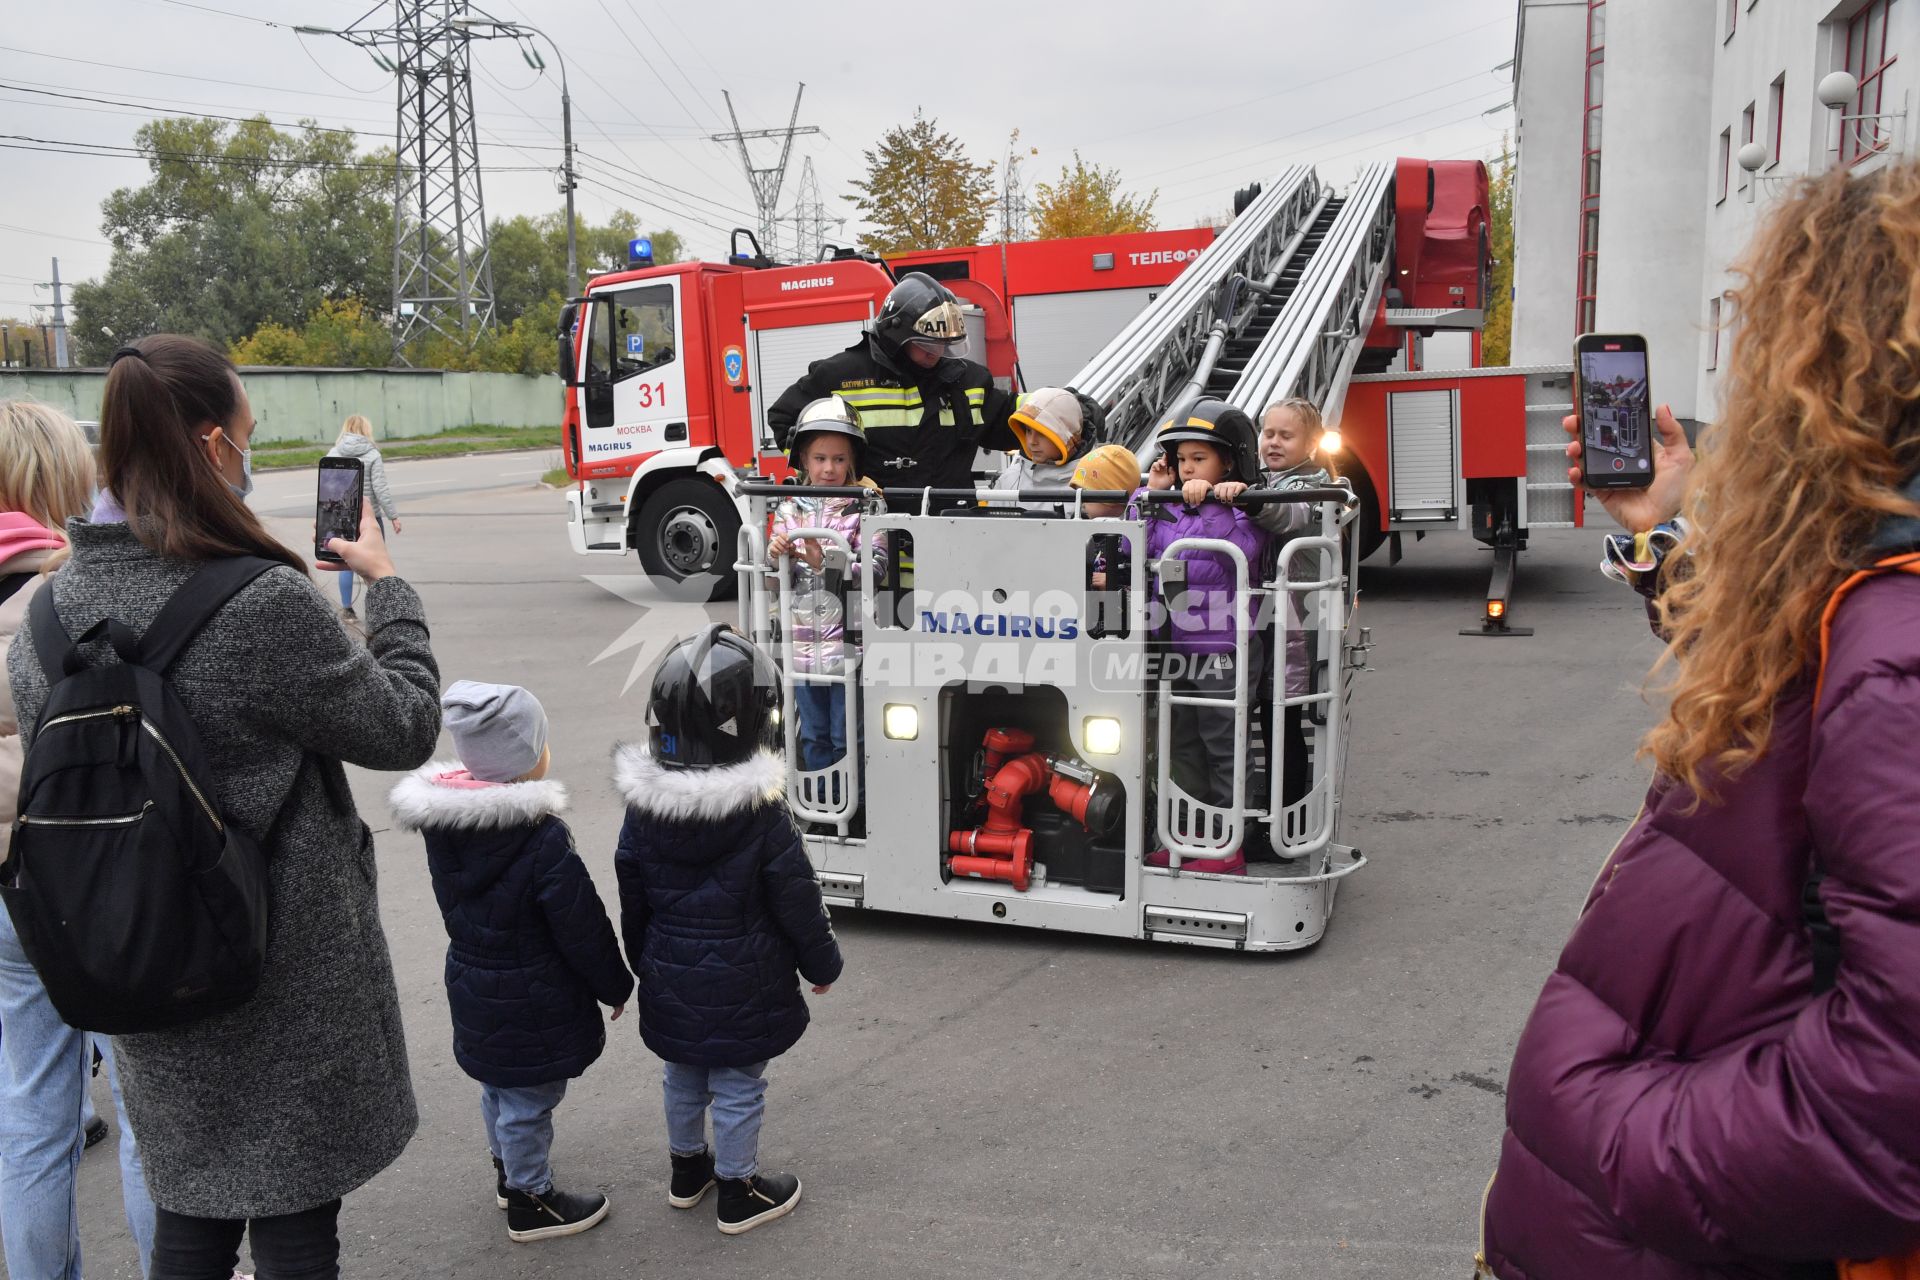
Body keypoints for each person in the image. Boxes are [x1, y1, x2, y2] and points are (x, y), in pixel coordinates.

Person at [1480, 164, 1920, 1278]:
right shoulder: (1874, 596)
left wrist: (1604, 1124)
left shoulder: (1901, 644)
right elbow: (1786, 684)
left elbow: (1889, 1110)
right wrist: (1659, 529)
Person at [7, 336, 441, 1278]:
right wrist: (386, 587)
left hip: (136, 957)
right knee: (293, 1223)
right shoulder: (259, 604)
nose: (252, 454)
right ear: (210, 447)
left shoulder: (43, 620)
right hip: (278, 970)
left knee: (190, 1217)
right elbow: (403, 726)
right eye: (248, 435)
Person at [612, 626, 843, 1235]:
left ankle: (688, 1172)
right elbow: (796, 897)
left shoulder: (642, 810)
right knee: (740, 1082)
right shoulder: (762, 813)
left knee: (682, 1074)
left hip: (670, 972)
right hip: (748, 979)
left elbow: (631, 896)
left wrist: (644, 961)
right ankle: (739, 1189)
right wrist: (822, 965)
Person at [0, 400, 157, 1279]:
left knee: (28, 1107)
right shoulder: (66, 592)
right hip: (85, 876)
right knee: (142, 1103)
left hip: (1, 894)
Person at [388, 680, 632, 1244]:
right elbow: (580, 924)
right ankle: (531, 1198)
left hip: (473, 978)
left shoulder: (446, 826)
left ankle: (508, 1175)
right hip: (533, 991)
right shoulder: (539, 839)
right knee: (529, 1099)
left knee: (499, 1087)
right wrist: (614, 984)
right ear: (526, 757)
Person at [1133, 401, 1268, 873]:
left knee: (1223, 745)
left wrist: (1216, 500)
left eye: (1199, 458)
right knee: (1180, 743)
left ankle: (1229, 846)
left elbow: (1244, 552)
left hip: (1224, 649)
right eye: (1181, 459)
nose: (1187, 469)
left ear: (1227, 462)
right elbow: (1132, 541)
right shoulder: (1162, 501)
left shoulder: (1245, 505)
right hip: (1174, 646)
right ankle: (1188, 836)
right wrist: (1154, 492)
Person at [765, 273, 1018, 511]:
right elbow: (783, 417)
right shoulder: (840, 377)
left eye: (942, 344)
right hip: (864, 532)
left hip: (949, 529)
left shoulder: (967, 381)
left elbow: (1012, 422)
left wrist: (1050, 407)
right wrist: (824, 474)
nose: (935, 353)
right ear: (896, 335)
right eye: (926, 344)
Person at [1211, 397, 1346, 817]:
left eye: (1286, 435)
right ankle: (1260, 809)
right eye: (1268, 433)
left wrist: (1250, 498)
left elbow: (1289, 516)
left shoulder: (1312, 483)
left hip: (1296, 621)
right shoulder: (1267, 476)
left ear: (1310, 445)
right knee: (1265, 715)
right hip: (1265, 613)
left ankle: (1286, 814)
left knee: (1281, 719)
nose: (1273, 442)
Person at [765, 399, 875, 797]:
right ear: (803, 460)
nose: (829, 469)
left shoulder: (866, 505)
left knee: (849, 737)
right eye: (820, 458)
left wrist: (826, 561)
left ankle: (857, 809)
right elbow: (774, 584)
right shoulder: (789, 507)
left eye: (839, 459)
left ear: (853, 462)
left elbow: (876, 572)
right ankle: (822, 809)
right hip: (802, 649)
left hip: (852, 648)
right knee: (811, 737)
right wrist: (775, 556)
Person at [324, 414, 401, 620]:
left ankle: (347, 610)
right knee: (375, 563)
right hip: (370, 518)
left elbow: (330, 486)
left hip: (343, 515)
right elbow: (380, 488)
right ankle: (380, 609)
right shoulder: (372, 454)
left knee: (345, 561)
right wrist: (392, 515)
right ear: (367, 430)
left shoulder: (334, 452)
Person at [1070, 443, 1140, 639]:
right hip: (1077, 629)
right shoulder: (1078, 530)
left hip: (1118, 639)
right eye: (1078, 492)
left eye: (1087, 493)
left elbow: (1144, 595)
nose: (1081, 500)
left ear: (1114, 497)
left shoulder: (1132, 538)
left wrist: (1113, 588)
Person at [990, 386, 1102, 508]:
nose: (1032, 441)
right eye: (1028, 431)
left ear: (1067, 436)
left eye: (1042, 433)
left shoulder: (1099, 481)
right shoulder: (1009, 481)